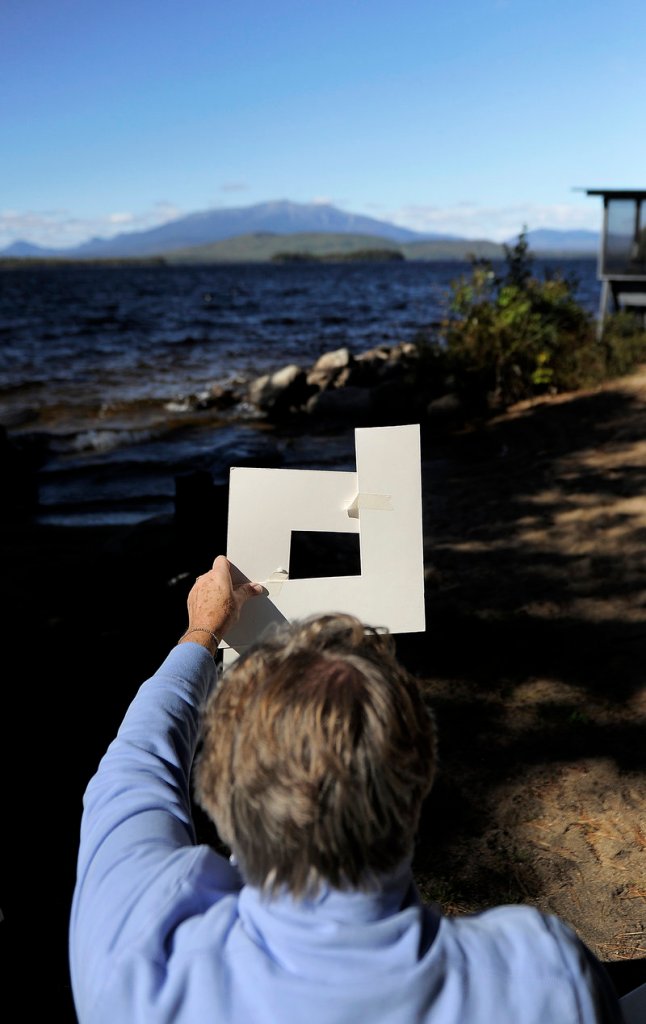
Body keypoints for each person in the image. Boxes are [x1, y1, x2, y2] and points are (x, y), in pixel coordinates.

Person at [69, 554, 626, 1024]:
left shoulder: (132, 961)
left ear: (215, 788)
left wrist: (201, 632)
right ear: (418, 783)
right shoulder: (543, 979)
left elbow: (136, 764)